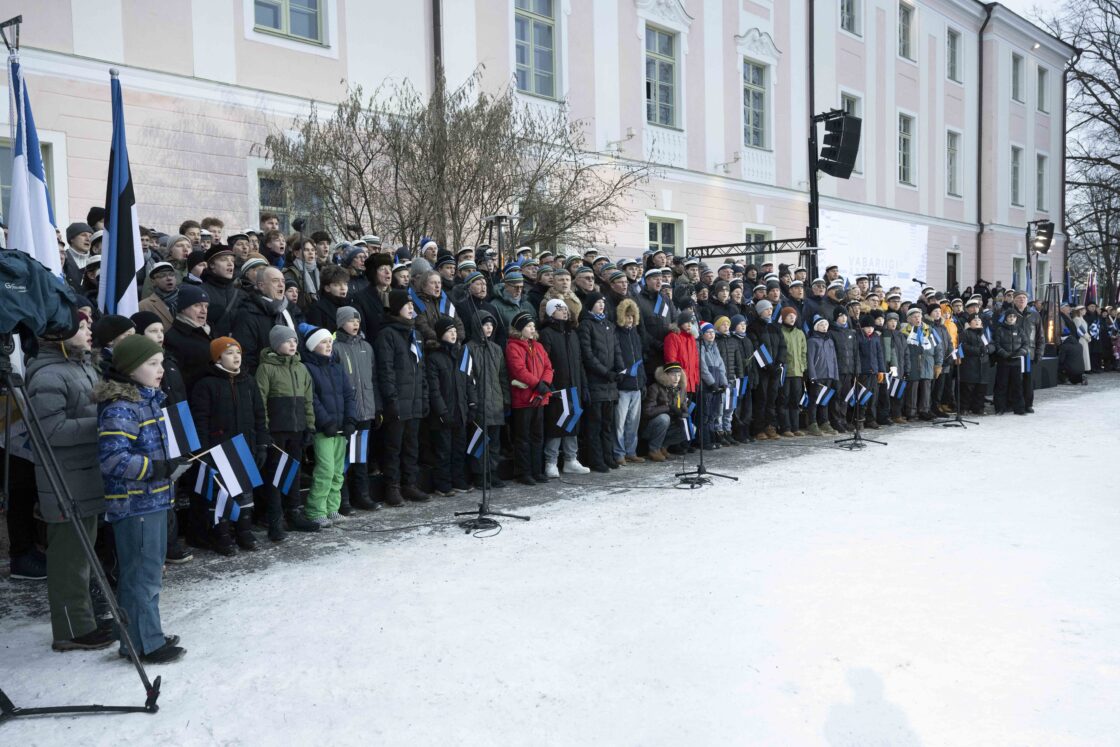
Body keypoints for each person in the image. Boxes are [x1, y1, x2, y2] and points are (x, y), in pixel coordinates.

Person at [95, 335, 187, 664]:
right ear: (131, 368)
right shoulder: (121, 407)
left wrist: (169, 465)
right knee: (142, 575)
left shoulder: (148, 400)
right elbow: (112, 459)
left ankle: (139, 635)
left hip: (154, 499)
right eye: (152, 364)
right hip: (135, 504)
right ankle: (147, 643)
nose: (160, 369)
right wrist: (156, 468)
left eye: (161, 363)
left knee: (146, 572)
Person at [27, 313, 112, 651]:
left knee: (82, 552)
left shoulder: (81, 365)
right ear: (60, 331)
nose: (90, 330)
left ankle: (84, 619)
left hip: (84, 475)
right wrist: (103, 425)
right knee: (69, 557)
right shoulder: (48, 374)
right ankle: (71, 630)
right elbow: (49, 431)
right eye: (82, 326)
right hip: (64, 480)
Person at [189, 337, 268, 554]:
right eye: (229, 353)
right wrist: (203, 452)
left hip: (245, 446)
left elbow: (259, 414)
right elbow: (200, 420)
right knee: (221, 493)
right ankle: (222, 534)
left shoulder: (248, 381)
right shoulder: (206, 384)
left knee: (245, 492)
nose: (236, 357)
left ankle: (244, 531)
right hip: (219, 449)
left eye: (238, 352)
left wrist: (262, 443)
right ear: (217, 358)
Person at [255, 325, 319, 540]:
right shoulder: (266, 368)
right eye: (287, 341)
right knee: (275, 474)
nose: (292, 344)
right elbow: (261, 401)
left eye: (294, 341)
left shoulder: (301, 368)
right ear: (275, 344)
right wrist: (264, 430)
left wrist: (309, 425)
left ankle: (294, 512)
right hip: (277, 431)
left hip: (297, 429)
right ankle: (275, 518)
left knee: (293, 471)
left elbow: (308, 400)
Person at [375, 290, 431, 506]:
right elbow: (386, 370)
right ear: (396, 307)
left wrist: (423, 397)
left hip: (414, 401)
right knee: (393, 448)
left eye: (412, 305)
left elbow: (421, 369)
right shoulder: (387, 334)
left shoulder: (415, 334)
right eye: (407, 305)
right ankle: (392, 487)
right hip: (398, 402)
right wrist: (391, 400)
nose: (411, 308)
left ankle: (410, 483)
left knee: (411, 446)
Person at [301, 325, 358, 526]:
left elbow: (349, 395)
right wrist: (326, 422)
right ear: (312, 346)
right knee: (325, 470)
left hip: (340, 429)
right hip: (324, 430)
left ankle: (332, 508)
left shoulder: (337, 367)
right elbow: (312, 399)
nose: (328, 345)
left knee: (337, 471)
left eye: (330, 342)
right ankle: (315, 510)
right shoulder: (308, 368)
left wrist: (350, 419)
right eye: (323, 342)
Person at [333, 307, 380, 512]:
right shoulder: (335, 348)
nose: (355, 324)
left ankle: (362, 495)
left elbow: (373, 378)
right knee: (343, 458)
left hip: (365, 410)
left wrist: (376, 406)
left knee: (360, 457)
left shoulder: (366, 347)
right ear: (341, 323)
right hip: (346, 412)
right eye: (350, 321)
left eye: (357, 321)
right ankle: (342, 499)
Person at [424, 316, 477, 496]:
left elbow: (469, 382)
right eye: (449, 331)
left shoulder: (462, 355)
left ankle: (458, 480)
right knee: (443, 450)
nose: (454, 334)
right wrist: (442, 412)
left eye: (455, 331)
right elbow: (434, 389)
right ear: (441, 334)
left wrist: (472, 403)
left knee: (459, 449)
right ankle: (443, 484)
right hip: (444, 414)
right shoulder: (434, 358)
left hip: (460, 411)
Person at [538, 299, 591, 477]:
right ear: (551, 313)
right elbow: (544, 362)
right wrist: (550, 386)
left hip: (574, 385)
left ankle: (571, 459)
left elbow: (579, 362)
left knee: (572, 422)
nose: (565, 311)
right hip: (557, 387)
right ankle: (551, 461)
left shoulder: (572, 333)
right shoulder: (546, 333)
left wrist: (583, 385)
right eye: (560, 309)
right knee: (557, 424)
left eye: (566, 309)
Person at [505, 311, 552, 484]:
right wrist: (538, 384)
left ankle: (537, 470)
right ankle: (523, 472)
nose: (532, 329)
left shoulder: (538, 346)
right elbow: (519, 370)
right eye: (528, 326)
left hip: (539, 397)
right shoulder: (513, 347)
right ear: (519, 329)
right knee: (523, 437)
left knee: (537, 436)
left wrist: (544, 384)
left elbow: (548, 366)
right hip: (523, 399)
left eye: (533, 326)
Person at [578, 293, 623, 471]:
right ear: (590, 305)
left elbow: (617, 349)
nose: (601, 305)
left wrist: (620, 369)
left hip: (610, 384)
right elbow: (588, 355)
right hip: (596, 382)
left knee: (607, 424)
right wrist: (605, 372)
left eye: (602, 303)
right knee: (595, 424)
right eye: (597, 303)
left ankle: (608, 456)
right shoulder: (586, 325)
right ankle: (596, 460)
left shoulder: (608, 325)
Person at [232, 266, 296, 374]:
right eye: (275, 281)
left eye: (283, 281)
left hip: (290, 375)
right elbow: (246, 355)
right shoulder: (247, 313)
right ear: (261, 286)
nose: (281, 285)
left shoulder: (287, 311)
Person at [613, 298, 646, 464]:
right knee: (620, 422)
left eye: (632, 316)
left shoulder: (635, 334)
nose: (630, 319)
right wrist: (620, 377)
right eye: (627, 316)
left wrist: (643, 380)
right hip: (623, 385)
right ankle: (619, 453)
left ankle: (630, 451)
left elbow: (640, 359)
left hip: (636, 385)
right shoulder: (616, 333)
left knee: (633, 422)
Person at [641, 362, 690, 459]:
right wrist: (668, 408)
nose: (676, 378)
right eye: (673, 375)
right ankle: (654, 450)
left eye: (679, 375)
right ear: (665, 375)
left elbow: (683, 407)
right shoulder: (655, 388)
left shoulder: (681, 389)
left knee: (687, 426)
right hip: (650, 427)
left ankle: (663, 447)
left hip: (670, 424)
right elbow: (647, 412)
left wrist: (683, 413)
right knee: (664, 418)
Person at [805, 315, 839, 436]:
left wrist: (835, 375)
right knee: (814, 400)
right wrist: (812, 375)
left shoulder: (830, 341)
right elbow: (810, 359)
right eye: (821, 325)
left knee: (825, 400)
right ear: (816, 327)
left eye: (825, 325)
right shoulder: (812, 341)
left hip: (829, 375)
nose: (824, 327)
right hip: (818, 375)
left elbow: (834, 359)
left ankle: (824, 421)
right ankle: (812, 423)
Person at [901, 307, 937, 421]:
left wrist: (939, 363)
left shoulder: (929, 329)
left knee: (926, 386)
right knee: (913, 387)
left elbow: (938, 346)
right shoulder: (904, 332)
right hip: (913, 362)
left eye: (919, 316)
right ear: (908, 319)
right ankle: (911, 412)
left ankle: (924, 410)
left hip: (927, 362)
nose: (917, 319)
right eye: (914, 317)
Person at [713, 316, 745, 444]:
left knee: (730, 408)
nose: (726, 326)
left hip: (732, 378)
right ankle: (719, 432)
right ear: (717, 327)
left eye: (727, 324)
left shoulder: (733, 341)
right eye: (723, 324)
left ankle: (728, 431)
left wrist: (740, 375)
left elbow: (738, 360)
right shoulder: (715, 341)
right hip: (721, 380)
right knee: (719, 409)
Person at [777, 307, 807, 437]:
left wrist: (803, 367)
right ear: (783, 317)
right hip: (785, 373)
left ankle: (795, 427)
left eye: (794, 316)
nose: (792, 318)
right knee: (784, 400)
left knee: (795, 400)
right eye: (789, 316)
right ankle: (785, 427)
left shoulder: (800, 333)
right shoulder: (780, 332)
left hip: (797, 372)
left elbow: (803, 352)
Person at [697, 322, 728, 449]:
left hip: (716, 384)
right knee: (705, 413)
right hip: (706, 385)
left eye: (713, 332)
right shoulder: (700, 347)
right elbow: (702, 367)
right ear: (702, 334)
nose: (711, 334)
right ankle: (704, 441)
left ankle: (712, 438)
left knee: (713, 413)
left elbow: (721, 366)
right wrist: (712, 383)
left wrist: (723, 382)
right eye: (708, 332)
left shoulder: (714, 347)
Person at [992, 309, 1028, 415]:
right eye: (1010, 316)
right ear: (1006, 318)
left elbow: (1025, 344)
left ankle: (1019, 408)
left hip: (1017, 362)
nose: (1012, 318)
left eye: (1014, 316)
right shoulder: (1000, 330)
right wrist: (1005, 354)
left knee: (1018, 386)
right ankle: (1000, 408)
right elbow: (997, 345)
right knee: (1001, 385)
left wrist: (1020, 353)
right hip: (1003, 361)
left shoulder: (1020, 330)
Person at [958, 313, 993, 414]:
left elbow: (992, 344)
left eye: (979, 320)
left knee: (981, 388)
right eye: (974, 320)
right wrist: (978, 350)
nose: (977, 322)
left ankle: (978, 408)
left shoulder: (984, 333)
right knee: (968, 388)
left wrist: (988, 349)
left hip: (983, 364)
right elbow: (963, 347)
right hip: (970, 365)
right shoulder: (965, 333)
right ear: (969, 323)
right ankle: (964, 408)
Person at [304, 264, 351, 332]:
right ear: (327, 288)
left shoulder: (352, 304)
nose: (343, 288)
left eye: (345, 284)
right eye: (337, 285)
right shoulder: (317, 309)